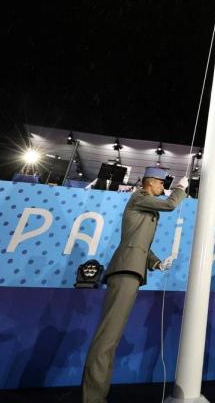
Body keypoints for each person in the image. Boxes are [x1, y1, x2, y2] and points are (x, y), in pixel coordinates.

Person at [81, 167, 188, 403]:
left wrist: (157, 264)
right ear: (150, 183)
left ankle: (98, 396)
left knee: (111, 339)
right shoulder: (140, 196)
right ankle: (92, 399)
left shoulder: (145, 204)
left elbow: (139, 243)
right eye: (161, 184)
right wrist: (181, 189)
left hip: (132, 270)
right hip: (125, 271)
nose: (164, 188)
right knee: (107, 339)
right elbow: (171, 205)